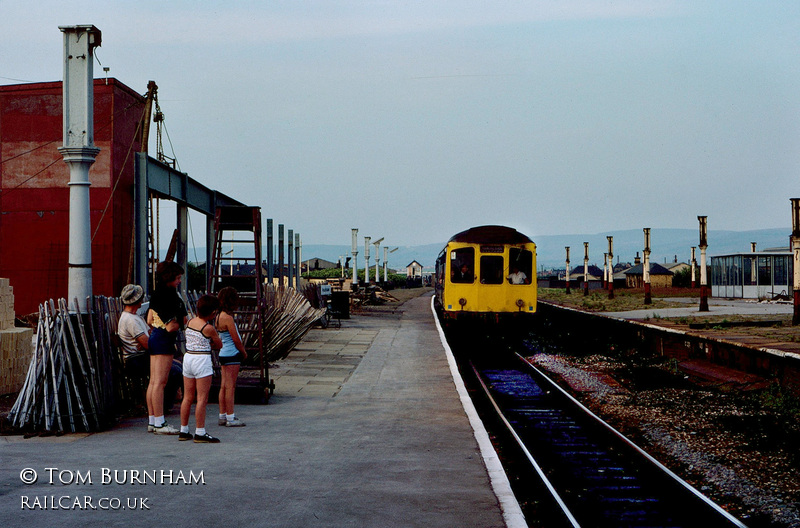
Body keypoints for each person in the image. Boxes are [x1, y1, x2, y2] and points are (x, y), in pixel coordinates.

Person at [146, 261, 188, 435]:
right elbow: (172, 326)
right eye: (177, 278)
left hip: (155, 337)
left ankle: (152, 420)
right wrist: (180, 322)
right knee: (161, 383)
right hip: (165, 339)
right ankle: (160, 423)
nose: (179, 281)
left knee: (153, 382)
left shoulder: (156, 294)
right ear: (169, 277)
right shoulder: (170, 296)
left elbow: (149, 319)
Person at [179, 294, 223, 443]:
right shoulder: (208, 328)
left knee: (187, 396)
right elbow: (218, 344)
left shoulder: (190, 322)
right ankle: (200, 431)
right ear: (213, 313)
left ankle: (184, 430)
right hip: (202, 359)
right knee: (202, 398)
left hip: (189, 357)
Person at [215, 287, 248, 427]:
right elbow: (236, 339)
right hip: (232, 354)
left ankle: (222, 415)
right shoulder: (228, 318)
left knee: (223, 386)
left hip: (223, 353)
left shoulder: (217, 316)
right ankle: (231, 417)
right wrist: (244, 352)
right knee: (231, 387)